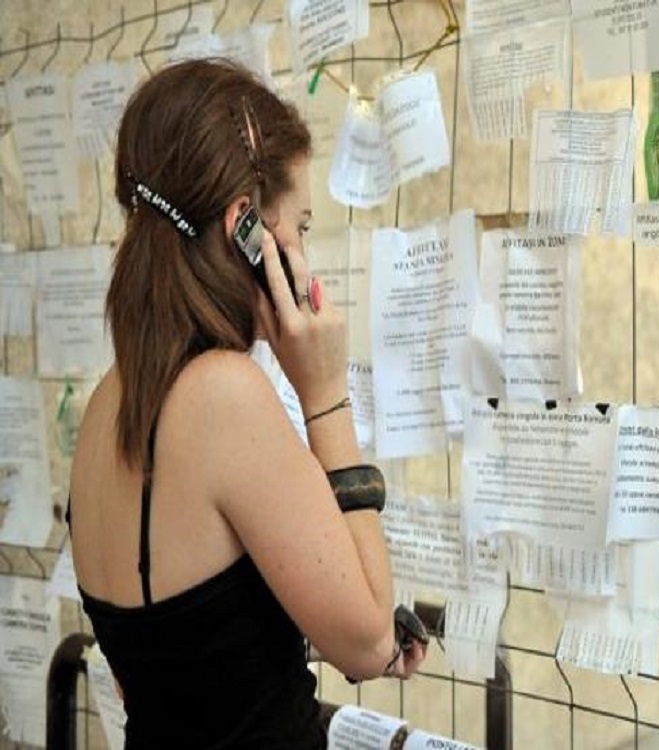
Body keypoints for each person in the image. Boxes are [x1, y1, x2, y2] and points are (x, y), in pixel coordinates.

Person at [67, 58, 425, 749]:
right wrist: (324, 394)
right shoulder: (224, 394)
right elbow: (371, 642)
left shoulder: (106, 407)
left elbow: (179, 668)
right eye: (304, 228)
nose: (307, 257)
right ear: (245, 228)